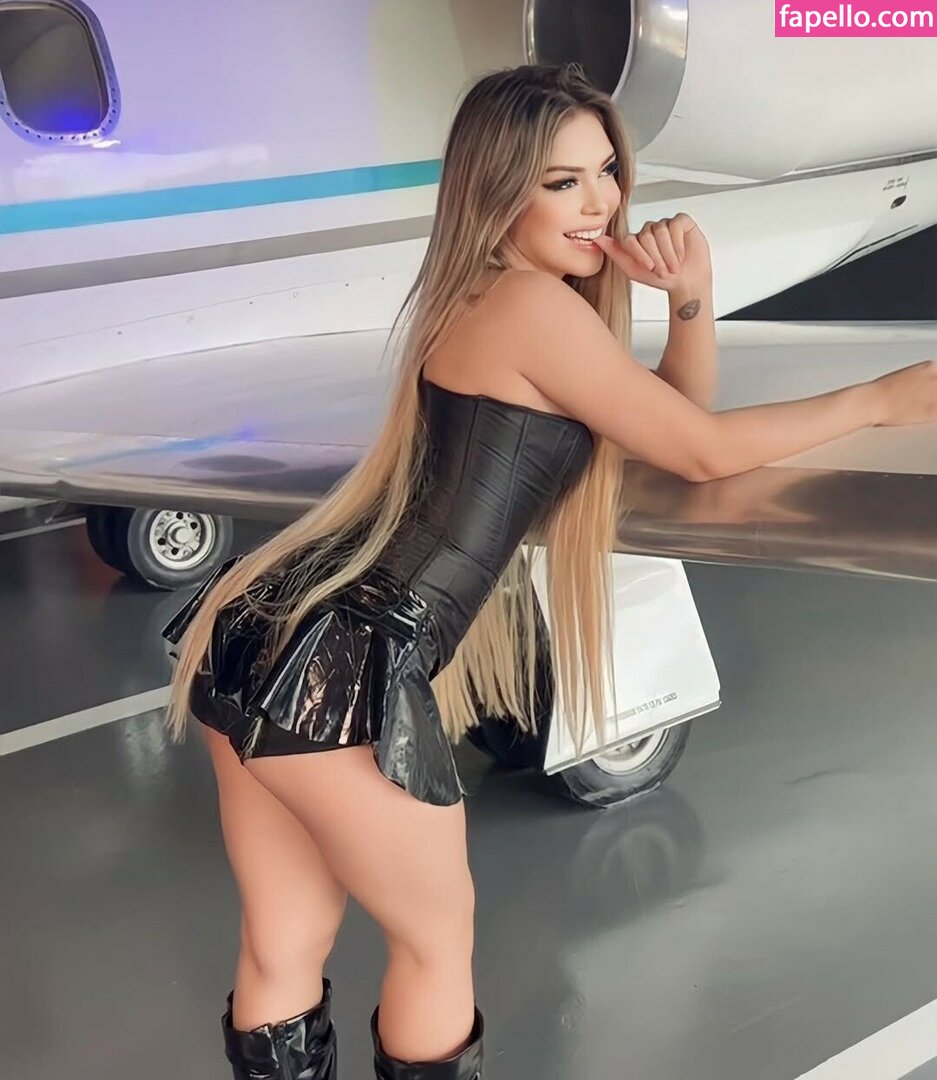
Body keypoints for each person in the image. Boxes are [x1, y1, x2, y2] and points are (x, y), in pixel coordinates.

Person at [161, 62, 937, 1079]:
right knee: (434, 946)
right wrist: (879, 400)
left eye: (606, 171)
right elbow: (699, 450)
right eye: (561, 181)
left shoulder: (479, 295)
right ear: (497, 191)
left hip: (262, 620)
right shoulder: (528, 305)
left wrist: (690, 299)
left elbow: (665, 426)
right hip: (348, 657)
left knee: (283, 941)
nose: (600, 202)